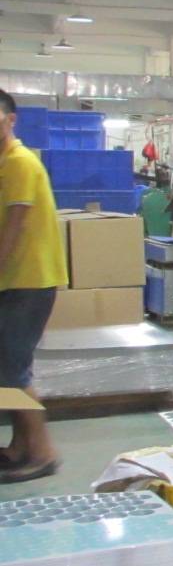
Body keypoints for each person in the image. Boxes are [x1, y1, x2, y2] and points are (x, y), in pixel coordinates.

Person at [0, 91, 67, 483]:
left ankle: (42, 452)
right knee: (5, 369)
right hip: (14, 281)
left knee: (13, 369)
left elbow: (14, 227)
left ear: (10, 120)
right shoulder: (4, 163)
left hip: (29, 280)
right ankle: (19, 445)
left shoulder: (20, 163)